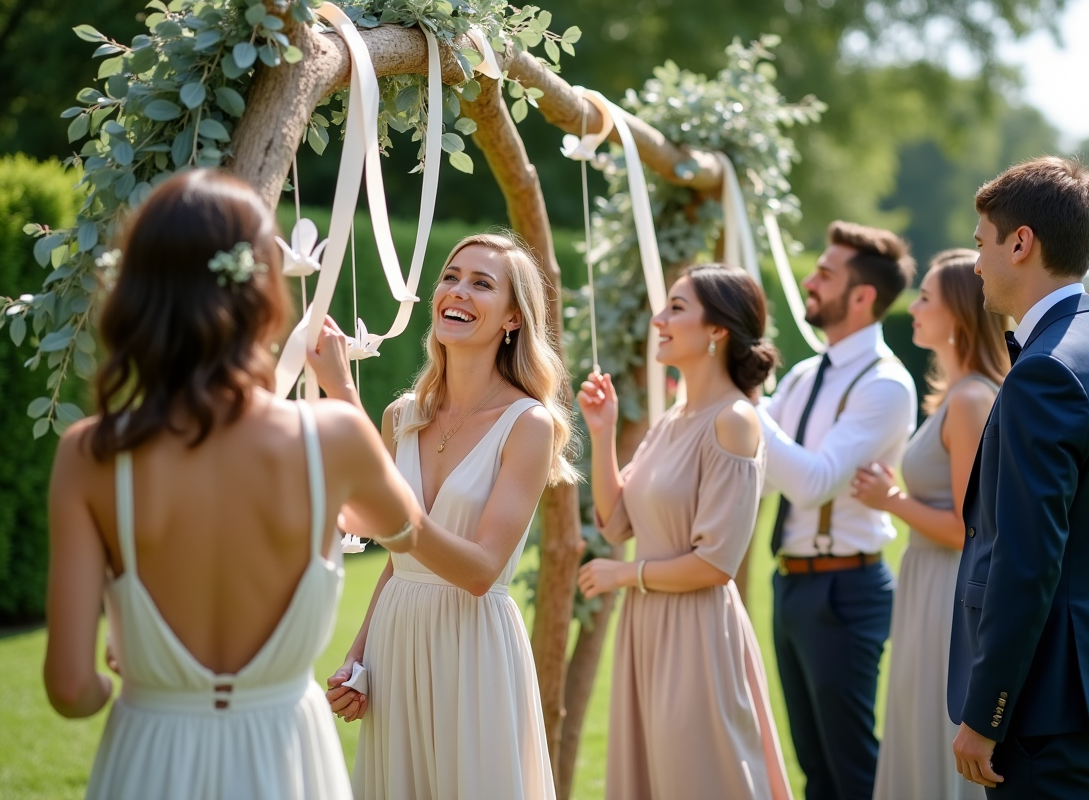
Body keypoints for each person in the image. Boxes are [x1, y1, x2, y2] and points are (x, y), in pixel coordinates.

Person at [43, 170, 424, 800]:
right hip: (289, 761)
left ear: (136, 293)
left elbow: (69, 690)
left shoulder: (91, 453)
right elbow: (406, 527)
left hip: (149, 758)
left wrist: (133, 677)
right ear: (266, 292)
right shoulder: (333, 439)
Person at [315, 232, 576, 800]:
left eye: (482, 283)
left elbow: (481, 569)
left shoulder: (527, 424)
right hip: (397, 641)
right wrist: (359, 654)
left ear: (512, 318)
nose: (457, 290)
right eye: (451, 277)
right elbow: (398, 560)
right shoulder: (400, 417)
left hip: (473, 645)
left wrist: (341, 392)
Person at [949, 157, 1089, 797]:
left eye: (981, 242)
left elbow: (1027, 559)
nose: (978, 263)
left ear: (1021, 243)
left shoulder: (1045, 371)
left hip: (1042, 695)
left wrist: (988, 711)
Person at [576, 264, 793, 800]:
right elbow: (617, 521)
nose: (658, 320)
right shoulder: (671, 419)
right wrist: (602, 436)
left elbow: (716, 564)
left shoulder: (734, 421)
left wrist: (625, 575)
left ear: (718, 329)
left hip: (697, 635)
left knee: (699, 779)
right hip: (646, 628)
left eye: (676, 308)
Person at [756, 220, 917, 800]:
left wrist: (741, 410)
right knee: (814, 767)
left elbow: (813, 483)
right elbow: (764, 471)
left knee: (850, 767)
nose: (809, 280)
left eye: (825, 273)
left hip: (847, 588)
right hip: (791, 585)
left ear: (863, 296)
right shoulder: (803, 375)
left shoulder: (886, 385)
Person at [851, 249, 1008, 800]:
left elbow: (970, 529)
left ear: (959, 313)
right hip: (927, 583)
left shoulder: (970, 401)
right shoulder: (956, 395)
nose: (912, 307)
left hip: (949, 592)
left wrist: (889, 499)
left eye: (925, 298)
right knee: (916, 727)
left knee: (934, 732)